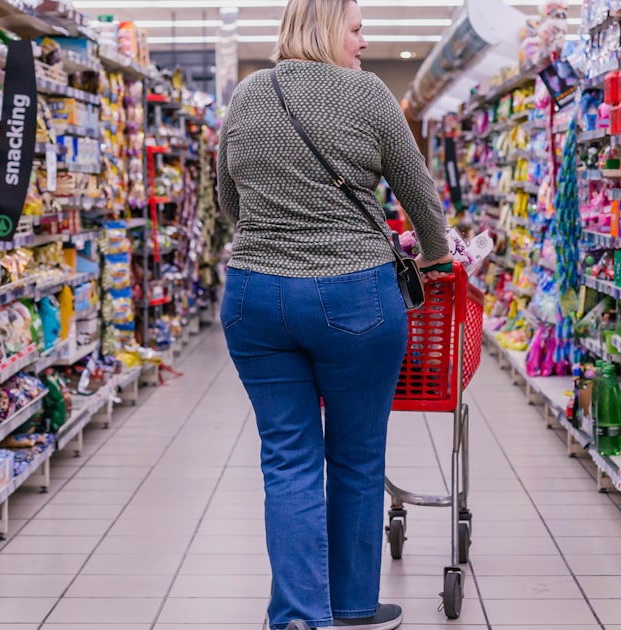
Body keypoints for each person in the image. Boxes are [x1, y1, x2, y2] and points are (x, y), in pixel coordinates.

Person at [215, 0, 452, 627]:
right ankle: (350, 605)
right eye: (356, 29)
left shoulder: (247, 96)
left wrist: (274, 238)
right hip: (355, 299)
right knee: (355, 454)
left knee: (287, 457)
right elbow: (420, 197)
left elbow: (226, 200)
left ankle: (296, 616)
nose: (365, 42)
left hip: (254, 297)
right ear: (326, 29)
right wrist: (433, 258)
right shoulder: (370, 95)